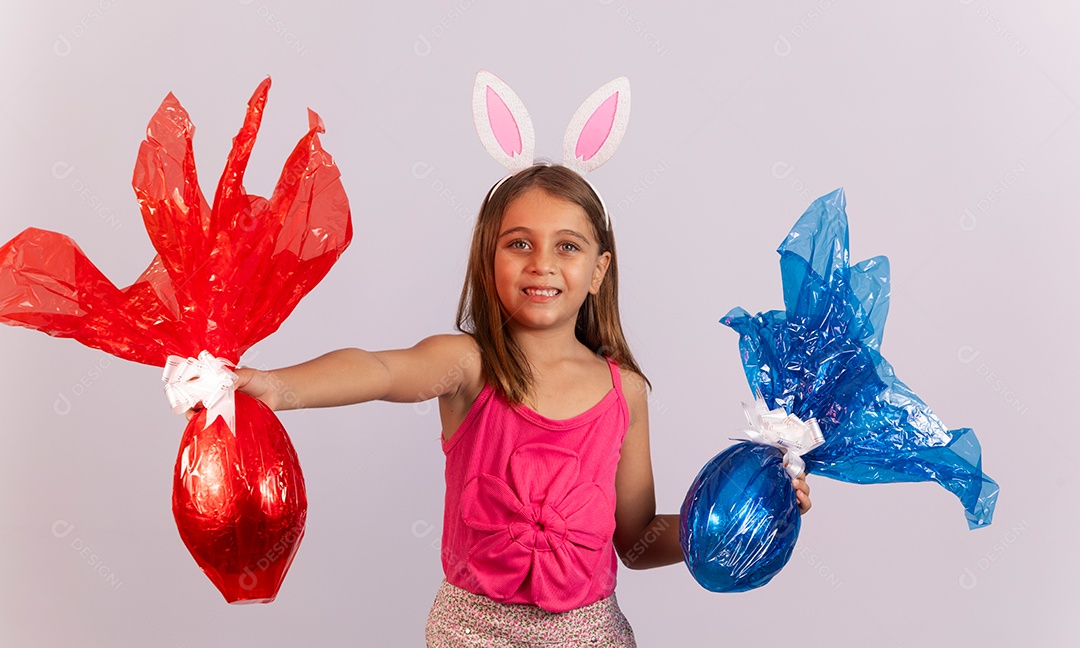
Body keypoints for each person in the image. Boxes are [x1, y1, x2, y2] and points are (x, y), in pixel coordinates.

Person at [189, 74, 811, 646]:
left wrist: (745, 513)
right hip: (471, 630)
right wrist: (275, 386)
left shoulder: (626, 393)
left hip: (589, 634)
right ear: (490, 261)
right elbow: (380, 370)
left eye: (567, 246)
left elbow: (637, 539)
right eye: (519, 244)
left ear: (598, 271)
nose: (542, 263)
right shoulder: (467, 365)